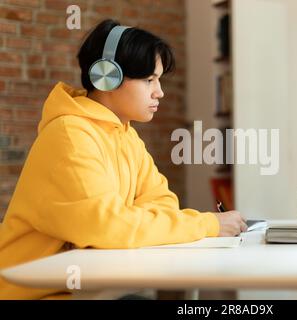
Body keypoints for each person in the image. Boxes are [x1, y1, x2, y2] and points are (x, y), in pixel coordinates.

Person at [0, 19, 247, 300]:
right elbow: (109, 226)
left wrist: (123, 227)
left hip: (92, 288)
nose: (160, 92)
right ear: (107, 77)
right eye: (149, 80)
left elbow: (163, 203)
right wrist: (208, 224)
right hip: (35, 294)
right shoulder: (70, 135)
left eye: (159, 80)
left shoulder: (126, 136)